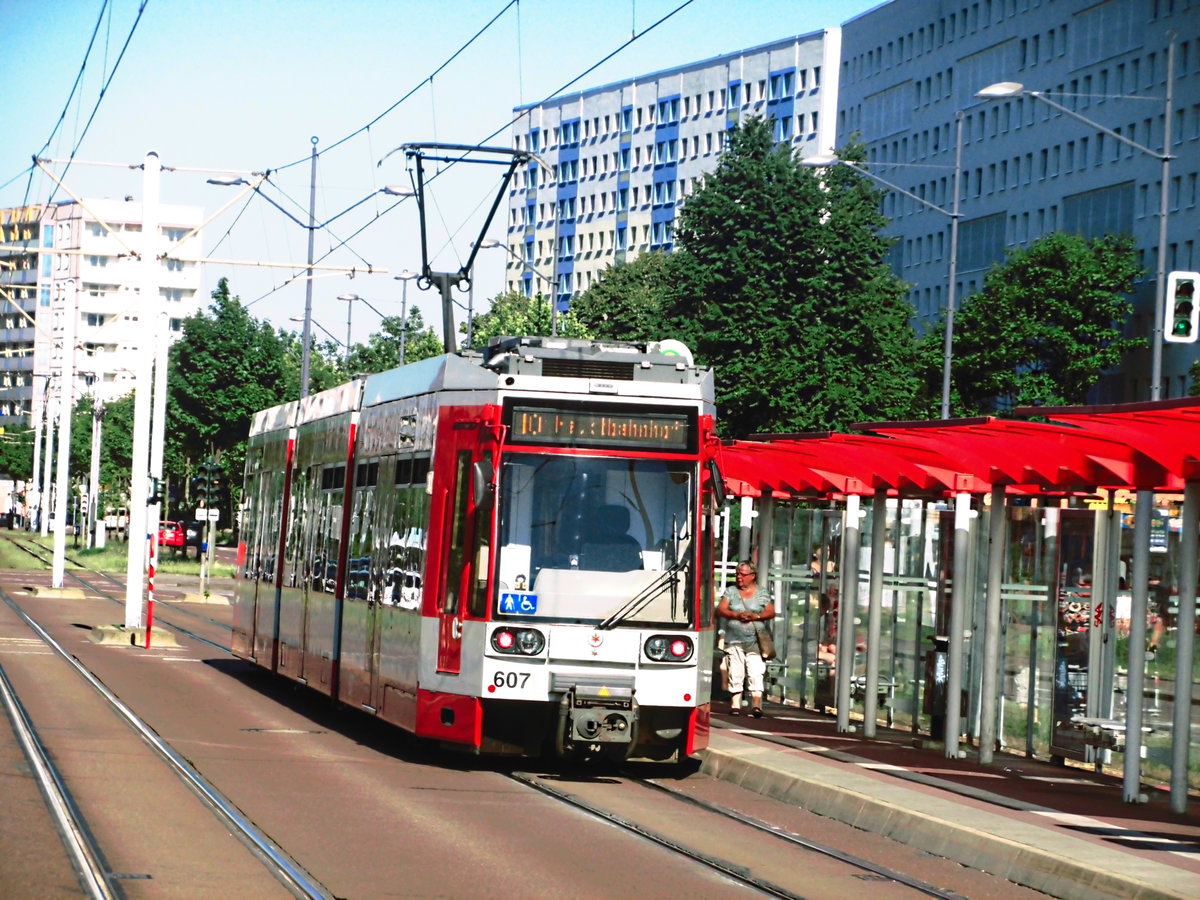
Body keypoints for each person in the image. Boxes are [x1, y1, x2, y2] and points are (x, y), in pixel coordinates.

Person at [716, 560, 775, 718]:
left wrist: (756, 616)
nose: (738, 577)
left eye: (742, 574)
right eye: (737, 573)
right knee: (735, 671)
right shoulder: (731, 591)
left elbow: (770, 611)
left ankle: (756, 705)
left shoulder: (761, 593)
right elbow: (721, 609)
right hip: (734, 639)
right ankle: (735, 704)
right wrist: (736, 615)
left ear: (752, 576)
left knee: (756, 671)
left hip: (755, 640)